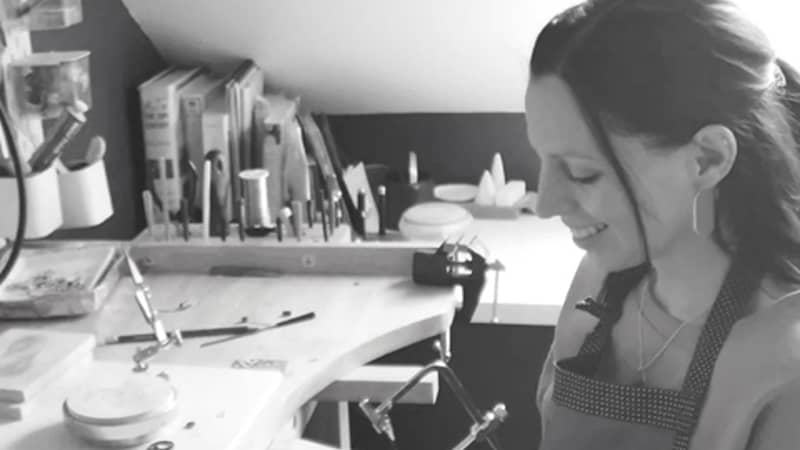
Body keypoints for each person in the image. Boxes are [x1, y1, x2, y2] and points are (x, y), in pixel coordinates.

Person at [526, 0, 800, 449]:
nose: (545, 204)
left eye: (581, 173)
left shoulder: (784, 361)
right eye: (541, 159)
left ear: (707, 159)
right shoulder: (598, 279)